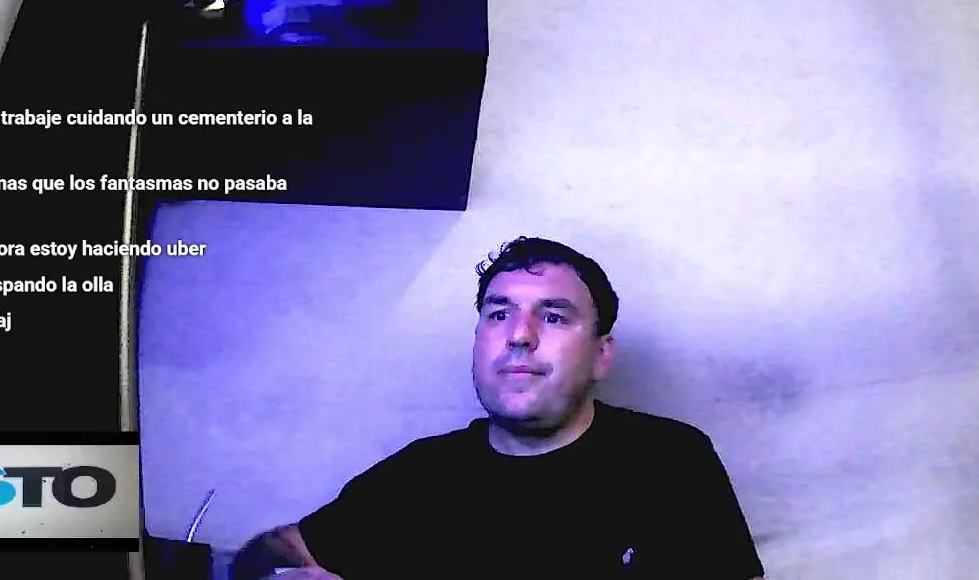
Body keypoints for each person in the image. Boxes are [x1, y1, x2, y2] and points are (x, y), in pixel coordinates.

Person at [230, 237, 765, 580]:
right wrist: (285, 574)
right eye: (498, 313)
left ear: (601, 355)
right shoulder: (418, 475)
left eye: (553, 317)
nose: (519, 336)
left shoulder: (669, 460)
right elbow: (271, 551)